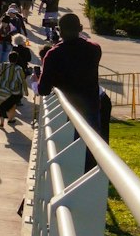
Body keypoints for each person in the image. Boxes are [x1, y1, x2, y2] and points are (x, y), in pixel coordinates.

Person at [37, 11, 105, 167]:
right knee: (91, 151)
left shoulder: (53, 55)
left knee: (67, 160)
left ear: (59, 31)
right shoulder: (94, 49)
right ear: (80, 28)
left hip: (65, 113)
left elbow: (43, 89)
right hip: (90, 109)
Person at [0, 45, 28, 127]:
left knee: (1, 105)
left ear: (8, 58)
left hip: (0, 89)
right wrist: (26, 91)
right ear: (17, 59)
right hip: (13, 92)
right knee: (12, 106)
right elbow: (23, 80)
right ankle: (11, 119)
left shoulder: (2, 65)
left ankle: (1, 122)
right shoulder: (18, 69)